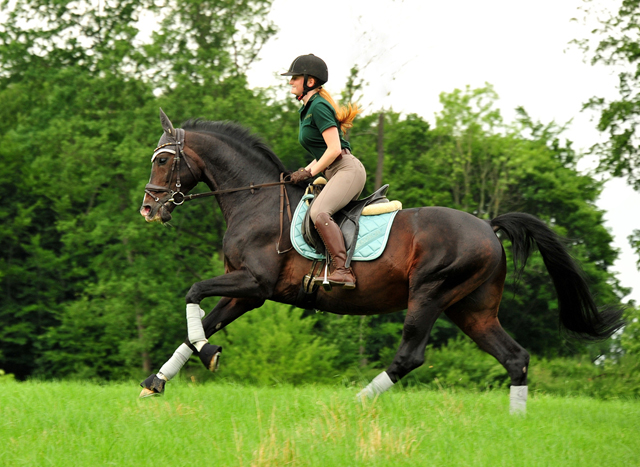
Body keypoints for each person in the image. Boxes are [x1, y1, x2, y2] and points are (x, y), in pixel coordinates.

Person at [282, 54, 366, 289]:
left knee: (319, 212)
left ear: (309, 81)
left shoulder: (318, 106)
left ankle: (343, 270)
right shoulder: (307, 108)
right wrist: (301, 171)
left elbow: (334, 150)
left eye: (295, 78)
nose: (290, 82)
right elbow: (322, 155)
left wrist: (310, 173)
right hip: (334, 171)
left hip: (346, 170)